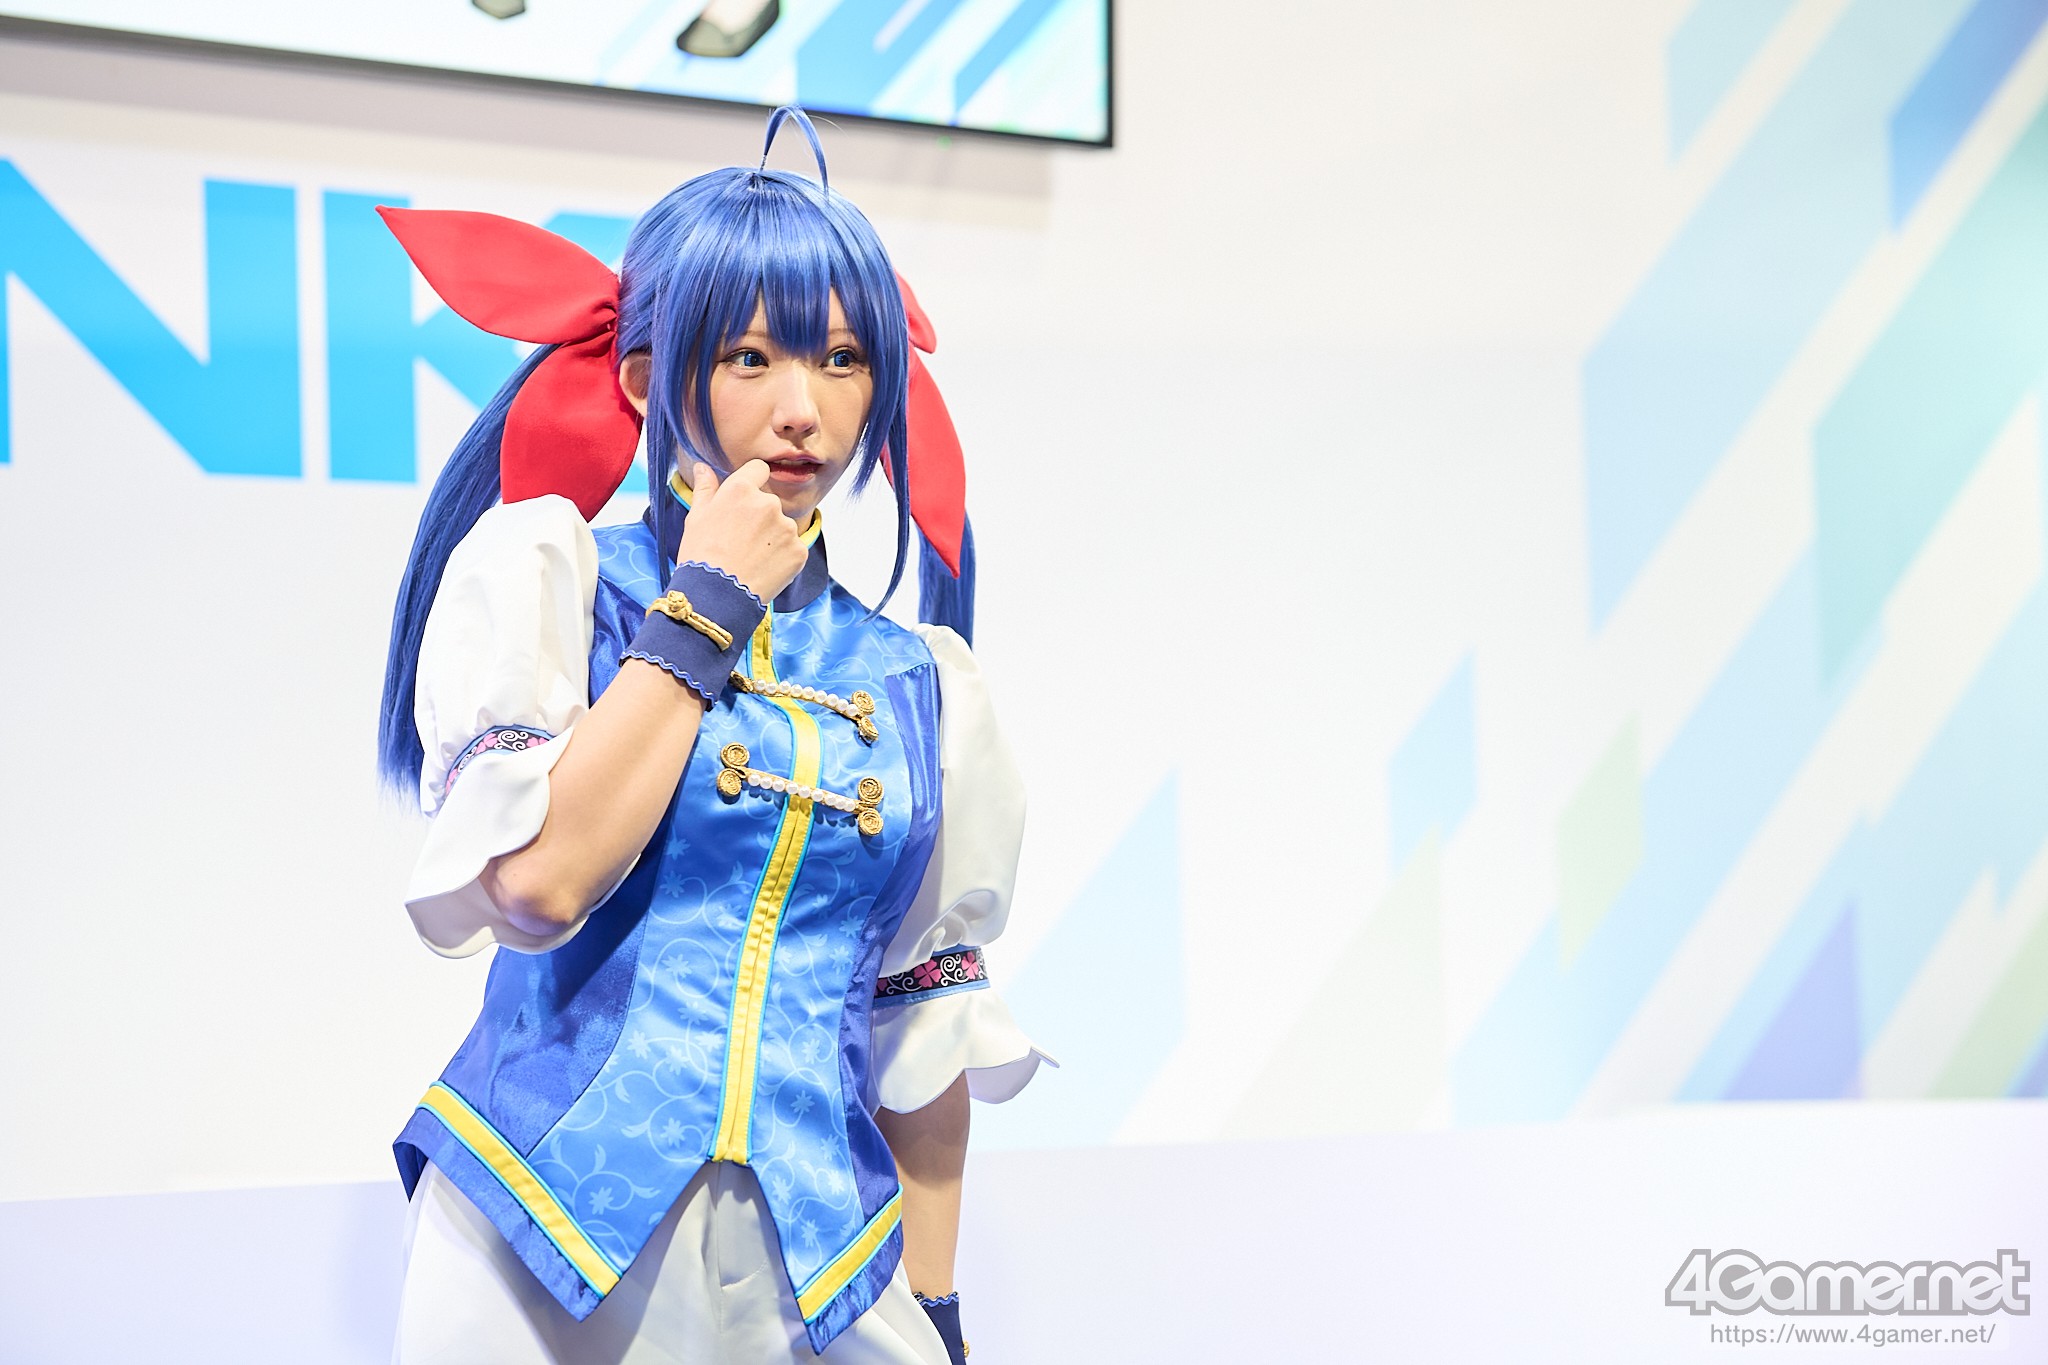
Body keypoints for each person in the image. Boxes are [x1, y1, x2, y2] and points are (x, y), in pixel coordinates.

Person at [373, 106, 1050, 1364]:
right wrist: (706, 609)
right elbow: (538, 885)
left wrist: (940, 1311)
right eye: (749, 357)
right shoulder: (558, 580)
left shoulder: (922, 685)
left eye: (841, 359)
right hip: (535, 1251)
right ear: (645, 378)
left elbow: (921, 1041)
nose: (802, 409)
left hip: (813, 1274)